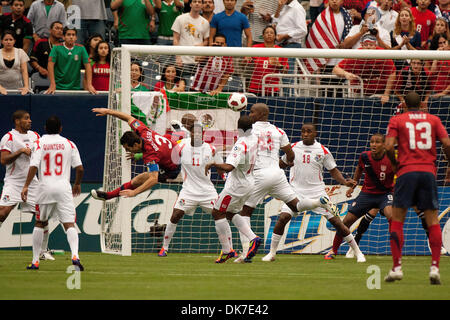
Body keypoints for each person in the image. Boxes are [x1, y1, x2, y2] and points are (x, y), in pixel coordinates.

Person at [237, 103, 341, 263]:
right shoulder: (279, 131)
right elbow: (290, 154)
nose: (250, 115)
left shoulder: (249, 130)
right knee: (295, 205)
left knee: (245, 211)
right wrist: (289, 161)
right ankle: (318, 202)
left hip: (259, 175)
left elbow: (242, 150)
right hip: (277, 176)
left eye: (252, 112)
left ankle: (246, 252)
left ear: (261, 114)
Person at [262, 123, 365, 263]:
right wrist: (269, 168)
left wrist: (345, 182)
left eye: (309, 131)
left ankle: (358, 253)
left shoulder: (323, 150)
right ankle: (272, 253)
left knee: (337, 223)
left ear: (315, 133)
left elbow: (333, 170)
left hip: (317, 192)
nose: (305, 134)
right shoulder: (293, 148)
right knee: (282, 219)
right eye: (303, 131)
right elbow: (282, 164)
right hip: (295, 192)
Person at [384, 91, 450, 285]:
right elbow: (446, 142)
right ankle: (435, 268)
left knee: (398, 219)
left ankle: (396, 268)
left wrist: (396, 165)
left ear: (404, 104)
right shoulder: (433, 119)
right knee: (432, 219)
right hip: (428, 173)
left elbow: (388, 147)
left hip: (406, 172)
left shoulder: (397, 120)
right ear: (422, 103)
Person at [22, 116, 84, 271]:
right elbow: (80, 168)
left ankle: (36, 261)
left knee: (40, 222)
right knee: (69, 224)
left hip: (45, 188)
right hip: (64, 188)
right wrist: (77, 183)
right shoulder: (69, 143)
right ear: (61, 128)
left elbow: (34, 165)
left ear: (45, 128)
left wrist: (26, 186)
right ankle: (75, 256)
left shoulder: (39, 143)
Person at [158, 122, 222, 256]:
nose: (197, 134)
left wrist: (226, 178)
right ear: (190, 133)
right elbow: (166, 151)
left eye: (200, 132)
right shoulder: (182, 145)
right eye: (194, 132)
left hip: (207, 192)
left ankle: (228, 249)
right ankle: (164, 248)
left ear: (203, 134)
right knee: (175, 215)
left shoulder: (211, 149)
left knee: (222, 217)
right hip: (188, 191)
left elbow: (221, 166)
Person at [90, 107, 181, 200]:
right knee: (166, 136)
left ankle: (108, 196)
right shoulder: (142, 131)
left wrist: (134, 192)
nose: (127, 151)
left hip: (173, 168)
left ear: (135, 145)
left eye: (127, 148)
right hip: (173, 147)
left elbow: (154, 179)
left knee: (139, 179)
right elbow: (129, 118)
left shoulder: (150, 156)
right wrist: (108, 111)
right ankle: (179, 134)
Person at [205, 115, 261, 263]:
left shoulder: (241, 144)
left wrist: (213, 164)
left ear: (238, 128)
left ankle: (227, 250)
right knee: (231, 212)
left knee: (217, 212)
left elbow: (229, 167)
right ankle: (253, 238)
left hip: (236, 186)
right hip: (249, 182)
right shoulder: (254, 138)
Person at [0, 110, 54, 261]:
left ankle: (43, 251)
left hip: (32, 183)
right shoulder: (9, 137)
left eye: (30, 118)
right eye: (26, 118)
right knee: (2, 213)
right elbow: (4, 160)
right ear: (17, 121)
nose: (30, 121)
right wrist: (21, 151)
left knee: (42, 216)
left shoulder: (35, 136)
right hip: (13, 183)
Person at [336, 133, 394, 258]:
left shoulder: (391, 159)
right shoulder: (364, 156)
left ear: (384, 145)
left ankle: (396, 252)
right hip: (367, 194)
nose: (374, 144)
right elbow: (359, 168)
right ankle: (337, 250)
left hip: (385, 194)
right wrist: (353, 186)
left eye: (377, 142)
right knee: (346, 222)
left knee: (392, 217)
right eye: (372, 142)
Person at [332, 33, 396, 104]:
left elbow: (392, 73)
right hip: (358, 93)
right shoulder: (356, 55)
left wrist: (386, 94)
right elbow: (335, 69)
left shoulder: (383, 55)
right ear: (361, 45)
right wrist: (346, 74)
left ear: (375, 45)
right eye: (366, 45)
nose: (368, 47)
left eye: (371, 45)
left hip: (379, 93)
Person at [46, 27, 96, 94]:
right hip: (58, 87)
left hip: (75, 88)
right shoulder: (56, 48)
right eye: (68, 35)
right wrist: (52, 84)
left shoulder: (81, 48)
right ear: (63, 37)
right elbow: (50, 65)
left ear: (76, 38)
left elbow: (88, 66)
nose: (71, 37)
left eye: (73, 35)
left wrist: (89, 84)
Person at [244, 25, 288, 96]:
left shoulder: (280, 50)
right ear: (263, 36)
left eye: (271, 33)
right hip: (255, 87)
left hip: (273, 88)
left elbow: (285, 72)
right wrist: (247, 60)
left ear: (275, 36)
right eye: (267, 32)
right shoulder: (255, 48)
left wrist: (279, 65)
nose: (269, 34)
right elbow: (245, 64)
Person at [171, 0, 210, 79]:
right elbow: (175, 39)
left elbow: (206, 40)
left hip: (198, 60)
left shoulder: (205, 22)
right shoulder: (180, 18)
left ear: (202, 5)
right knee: (184, 83)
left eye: (199, 2)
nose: (197, 3)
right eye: (195, 1)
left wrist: (202, 44)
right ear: (190, 4)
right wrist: (178, 57)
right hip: (183, 60)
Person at [0, 30, 30, 95]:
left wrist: (26, 87)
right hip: (1, 90)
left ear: (14, 41)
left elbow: (24, 71)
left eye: (11, 40)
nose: (8, 42)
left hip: (18, 90)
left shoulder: (20, 52)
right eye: (6, 40)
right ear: (1, 41)